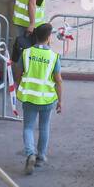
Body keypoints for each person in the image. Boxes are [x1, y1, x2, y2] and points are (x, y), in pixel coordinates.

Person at [15, 22, 62, 175]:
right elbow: (58, 80)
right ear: (49, 38)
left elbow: (18, 72)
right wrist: (60, 100)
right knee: (44, 127)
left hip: (29, 96)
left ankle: (30, 154)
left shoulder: (26, 53)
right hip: (47, 98)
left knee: (28, 127)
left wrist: (20, 85)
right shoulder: (54, 57)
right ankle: (41, 157)